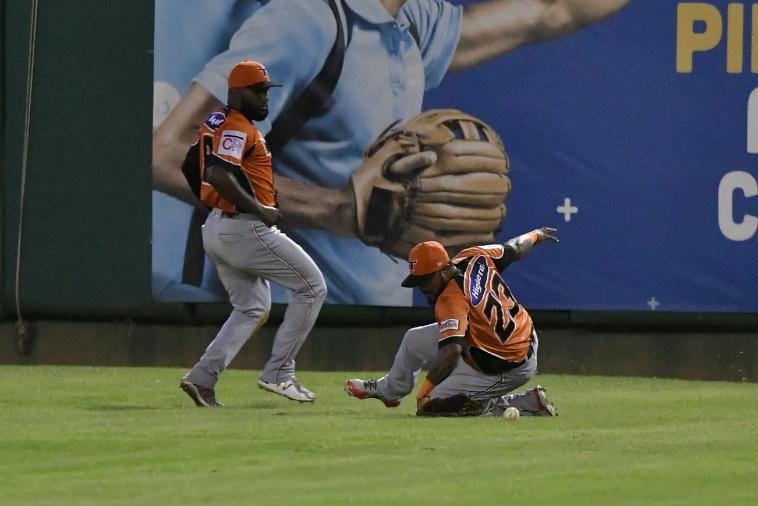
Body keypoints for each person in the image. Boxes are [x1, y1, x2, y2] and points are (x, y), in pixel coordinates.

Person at [153, 0, 632, 306]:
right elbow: (175, 152)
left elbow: (553, 10)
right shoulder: (305, 20)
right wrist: (335, 208)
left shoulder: (409, 21)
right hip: (282, 320)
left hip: (369, 328)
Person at [179, 60, 327, 407]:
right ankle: (279, 373)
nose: (264, 98)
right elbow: (216, 173)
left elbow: (190, 163)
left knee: (252, 307)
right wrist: (257, 207)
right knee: (312, 287)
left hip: (220, 226)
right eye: (257, 91)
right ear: (236, 92)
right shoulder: (236, 127)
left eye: (265, 91)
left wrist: (212, 203)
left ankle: (203, 378)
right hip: (245, 227)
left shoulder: (217, 121)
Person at [345, 227, 559, 416]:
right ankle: (390, 392)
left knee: (436, 405)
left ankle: (526, 403)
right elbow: (514, 248)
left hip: (508, 365)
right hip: (516, 336)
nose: (423, 287)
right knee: (414, 340)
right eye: (419, 281)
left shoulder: (450, 299)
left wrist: (424, 394)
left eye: (426, 280)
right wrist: (536, 235)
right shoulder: (475, 256)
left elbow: (451, 353)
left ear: (445, 269)